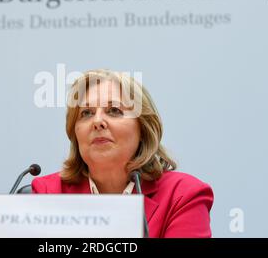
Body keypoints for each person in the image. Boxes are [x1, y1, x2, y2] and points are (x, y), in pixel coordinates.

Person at [32, 69, 214, 238]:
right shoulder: (48, 194)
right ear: (75, 133)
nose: (97, 122)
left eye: (114, 111)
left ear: (143, 128)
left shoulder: (181, 196)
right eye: (86, 113)